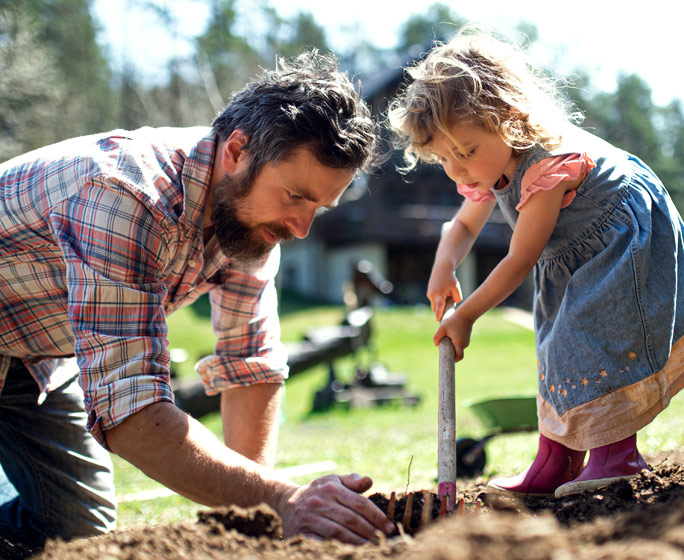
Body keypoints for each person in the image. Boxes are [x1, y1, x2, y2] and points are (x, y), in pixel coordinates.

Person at [0, 49, 394, 549]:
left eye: (319, 206)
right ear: (236, 152)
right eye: (296, 196)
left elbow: (249, 364)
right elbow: (132, 410)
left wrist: (253, 523)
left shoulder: (248, 219)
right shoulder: (123, 192)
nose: (301, 228)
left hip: (30, 353)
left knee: (79, 531)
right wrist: (282, 501)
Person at [388, 29, 684, 498]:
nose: (459, 170)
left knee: (595, 338)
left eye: (466, 152)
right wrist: (444, 266)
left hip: (618, 238)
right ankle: (557, 459)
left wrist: (467, 315)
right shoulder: (488, 163)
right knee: (557, 348)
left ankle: (616, 454)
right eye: (445, 159)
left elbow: (520, 258)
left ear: (508, 119)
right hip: (571, 253)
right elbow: (461, 227)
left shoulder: (547, 166)